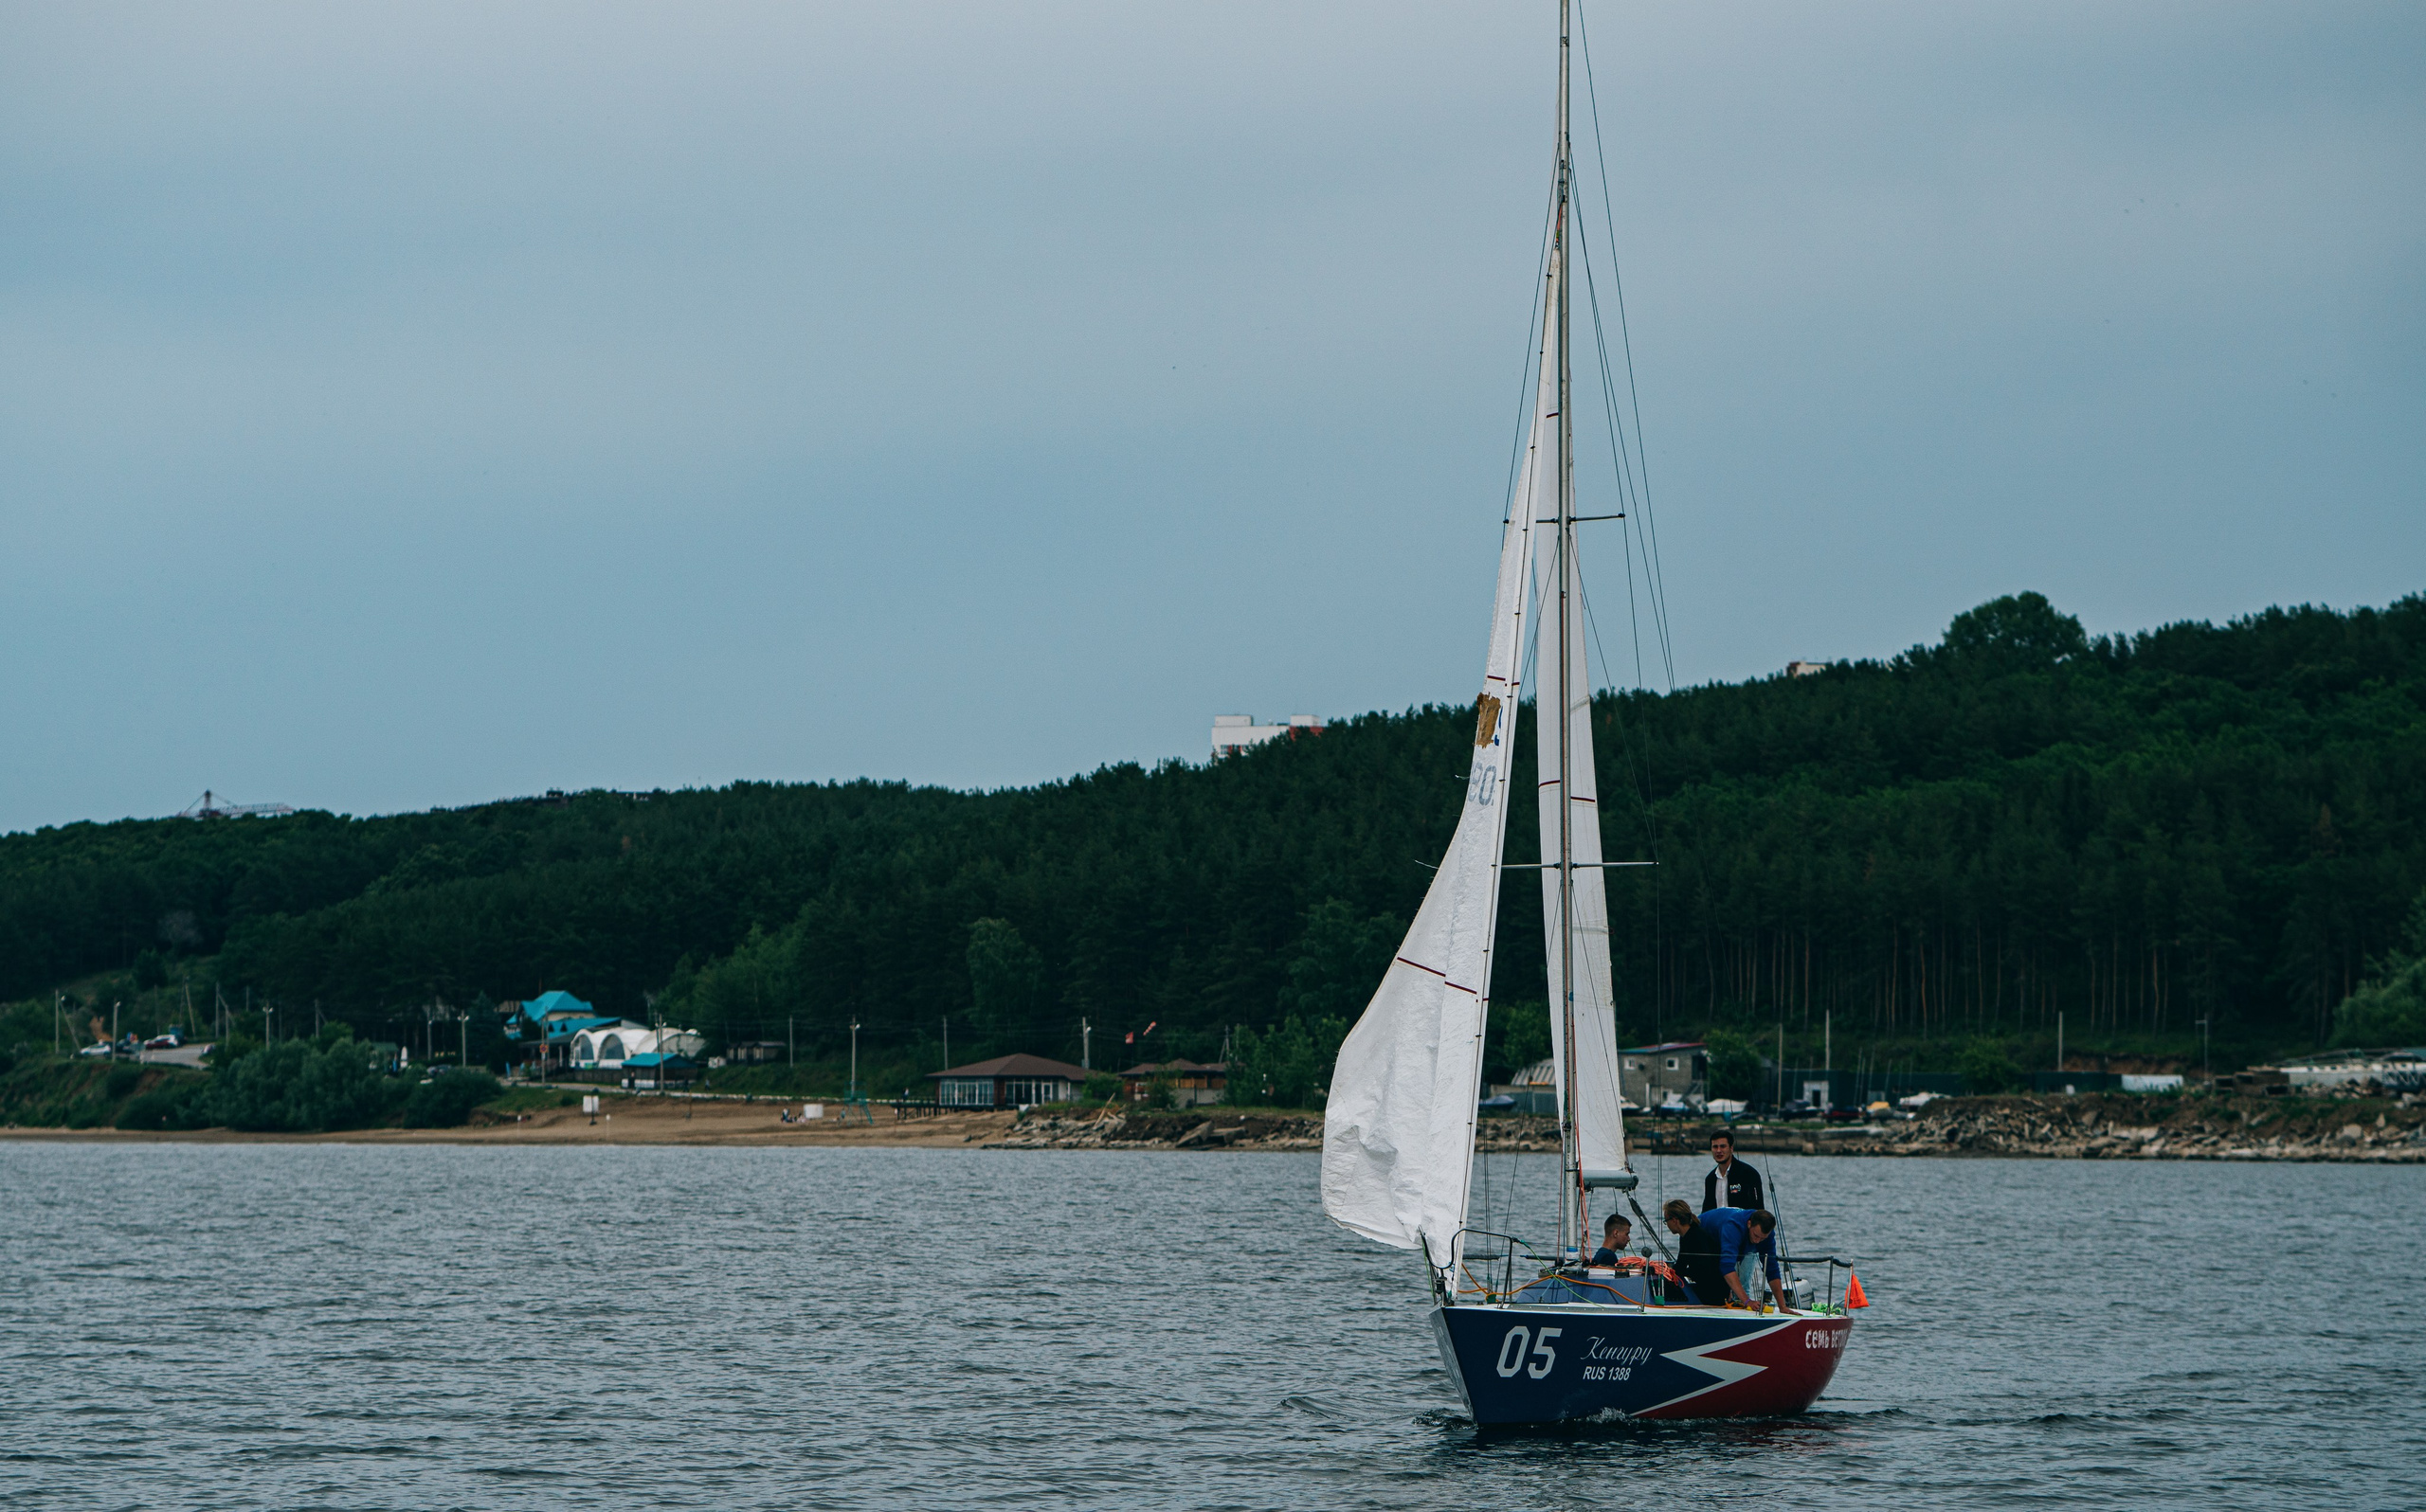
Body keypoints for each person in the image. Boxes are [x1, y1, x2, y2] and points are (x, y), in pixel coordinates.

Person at [1700, 1206, 1797, 1313]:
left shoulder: (1767, 1235)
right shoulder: (1733, 1226)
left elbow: (1771, 1268)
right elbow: (1726, 1267)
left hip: (1727, 1240)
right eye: (1756, 1236)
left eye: (1762, 1238)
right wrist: (1748, 1301)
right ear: (1749, 1224)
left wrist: (1782, 1306)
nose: (1757, 1241)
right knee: (1717, 1290)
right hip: (1702, 1237)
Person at [1661, 1198, 1729, 1305]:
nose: (1667, 1224)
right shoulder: (1686, 1236)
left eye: (1666, 1221)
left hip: (1713, 1290)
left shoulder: (1697, 1237)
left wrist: (1679, 1272)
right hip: (1704, 1285)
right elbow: (1681, 1265)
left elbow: (1703, 1269)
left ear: (1674, 1220)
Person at [1702, 1128, 1765, 1214]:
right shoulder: (1710, 1179)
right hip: (1718, 1226)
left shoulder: (1749, 1174)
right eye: (1715, 1147)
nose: (1718, 1151)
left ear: (1731, 1148)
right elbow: (1706, 1212)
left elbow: (1758, 1209)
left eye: (1723, 1146)